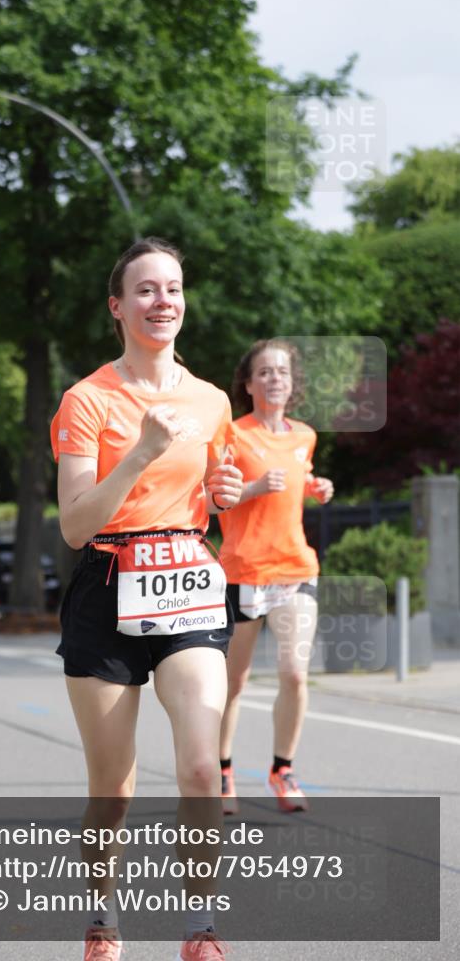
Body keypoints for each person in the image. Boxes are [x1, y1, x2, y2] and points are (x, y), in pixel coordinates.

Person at [50, 237, 243, 961]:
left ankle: (200, 930)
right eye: (145, 290)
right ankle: (102, 918)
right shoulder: (87, 400)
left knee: (199, 765)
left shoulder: (212, 399)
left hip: (187, 582)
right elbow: (74, 524)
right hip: (106, 584)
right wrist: (139, 452)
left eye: (173, 288)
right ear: (117, 306)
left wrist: (224, 497)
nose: (163, 301)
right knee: (114, 784)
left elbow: (212, 490)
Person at [217, 340, 334, 815]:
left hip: (294, 569)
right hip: (243, 570)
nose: (273, 380)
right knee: (233, 682)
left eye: (281, 372)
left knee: (294, 673)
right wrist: (254, 488)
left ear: (292, 383)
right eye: (263, 372)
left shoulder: (304, 435)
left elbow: (298, 479)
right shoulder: (232, 435)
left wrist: (316, 488)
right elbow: (216, 498)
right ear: (248, 384)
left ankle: (282, 769)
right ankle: (222, 770)